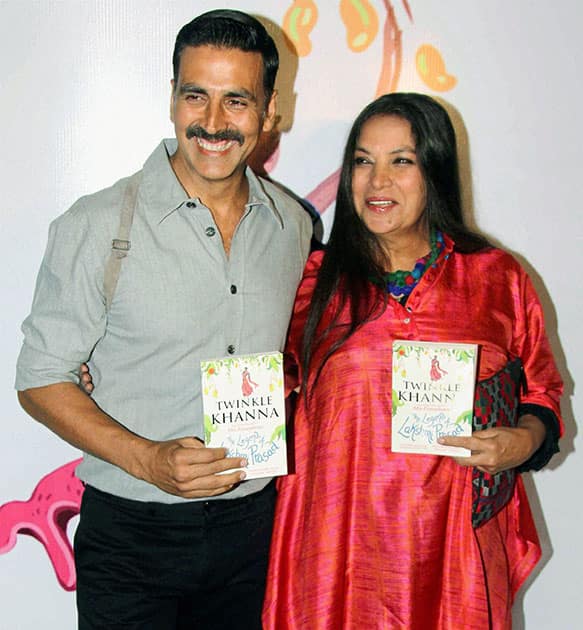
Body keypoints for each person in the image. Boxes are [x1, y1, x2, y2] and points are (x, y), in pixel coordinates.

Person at [15, 10, 312, 630]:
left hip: (252, 530)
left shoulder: (294, 226)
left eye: (237, 100)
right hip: (131, 534)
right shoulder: (97, 224)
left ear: (270, 111)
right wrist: (148, 458)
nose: (212, 122)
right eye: (195, 95)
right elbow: (40, 379)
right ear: (172, 99)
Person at [262, 93, 563, 629]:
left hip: (452, 554)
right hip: (336, 558)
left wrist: (523, 441)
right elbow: (257, 392)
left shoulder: (497, 279)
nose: (377, 181)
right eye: (362, 160)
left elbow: (542, 392)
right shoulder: (308, 281)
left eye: (402, 160)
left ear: (435, 168)